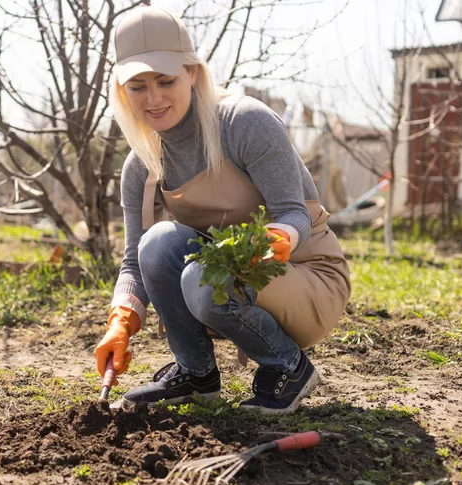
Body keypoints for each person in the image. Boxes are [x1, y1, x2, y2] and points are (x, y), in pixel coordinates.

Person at [93, 6, 351, 415]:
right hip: (224, 282)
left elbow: (295, 212)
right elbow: (134, 260)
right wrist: (121, 321)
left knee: (202, 277)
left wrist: (281, 236)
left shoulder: (244, 123)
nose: (154, 98)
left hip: (305, 277)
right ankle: (196, 374)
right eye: (138, 86)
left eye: (166, 80)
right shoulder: (142, 164)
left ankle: (287, 366)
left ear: (193, 73)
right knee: (157, 244)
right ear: (123, 91)